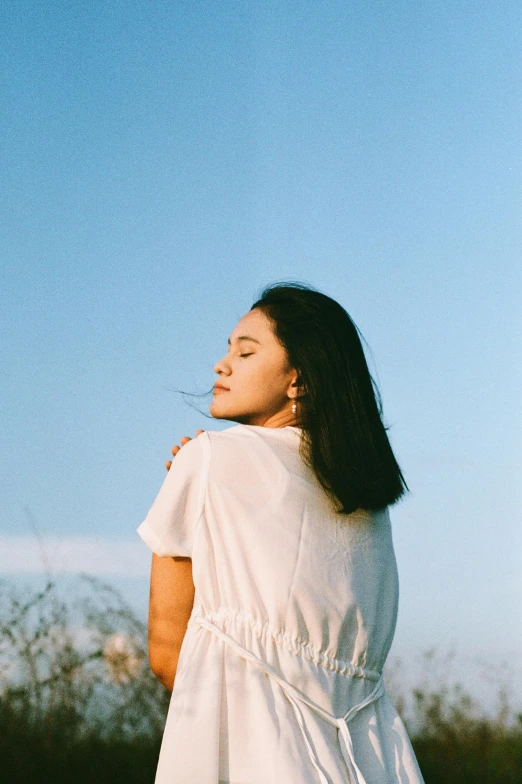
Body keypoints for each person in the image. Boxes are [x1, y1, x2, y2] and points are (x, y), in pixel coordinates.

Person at [137, 282, 425, 783]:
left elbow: (168, 657)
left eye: (246, 351)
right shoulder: (367, 502)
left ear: (300, 380)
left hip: (256, 753)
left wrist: (192, 482)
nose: (220, 365)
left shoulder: (208, 458)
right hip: (375, 759)